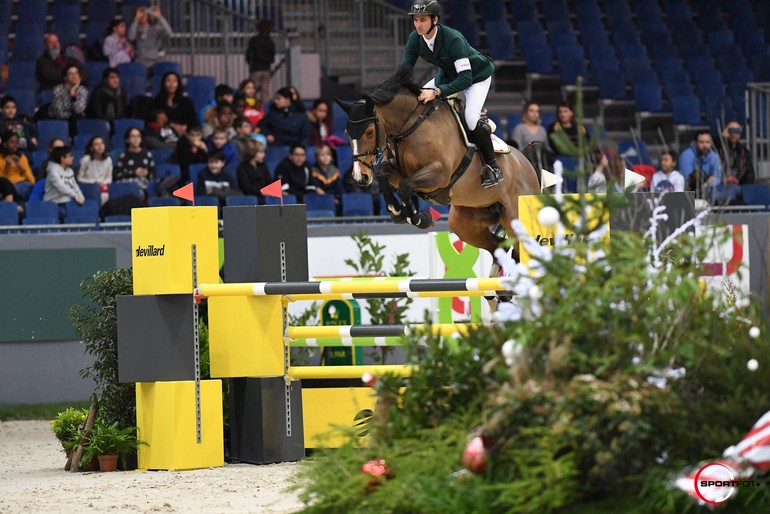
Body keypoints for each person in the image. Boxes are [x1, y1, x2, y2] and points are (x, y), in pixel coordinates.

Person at [400, 0, 501, 188]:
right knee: (418, 99)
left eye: (422, 20)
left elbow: (465, 80)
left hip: (476, 77)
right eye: (415, 20)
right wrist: (389, 90)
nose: (418, 24)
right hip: (447, 76)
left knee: (471, 118)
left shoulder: (453, 38)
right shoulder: (415, 38)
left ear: (435, 20)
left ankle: (493, 167)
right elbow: (404, 71)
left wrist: (437, 92)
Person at [43, 146, 84, 218]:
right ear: (62, 158)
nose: (73, 158)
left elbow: (75, 186)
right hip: (53, 203)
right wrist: (75, 196)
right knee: (69, 214)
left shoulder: (69, 171)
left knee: (84, 211)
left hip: (67, 202)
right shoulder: (53, 171)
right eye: (70, 156)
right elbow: (61, 187)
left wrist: (81, 197)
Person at [113, 127, 156, 195]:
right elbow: (117, 175)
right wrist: (134, 172)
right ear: (127, 140)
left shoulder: (147, 154)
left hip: (143, 185)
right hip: (128, 185)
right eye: (133, 136)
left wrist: (147, 173)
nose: (136, 139)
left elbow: (154, 172)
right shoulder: (124, 155)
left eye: (138, 136)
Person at [48, 65, 88, 133]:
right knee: (76, 118)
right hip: (58, 120)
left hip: (73, 121)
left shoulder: (82, 90)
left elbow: (79, 110)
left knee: (78, 120)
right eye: (70, 74)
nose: (74, 76)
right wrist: (72, 115)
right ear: (65, 78)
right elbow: (59, 113)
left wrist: (73, 93)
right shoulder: (58, 90)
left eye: (76, 73)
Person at [245, 19, 275, 104]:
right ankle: (265, 109)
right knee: (265, 91)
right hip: (266, 69)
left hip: (256, 68)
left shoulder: (254, 40)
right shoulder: (270, 42)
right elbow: (272, 58)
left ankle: (250, 106)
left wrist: (250, 65)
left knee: (251, 90)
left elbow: (249, 55)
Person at [77, 136, 113, 204]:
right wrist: (94, 182)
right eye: (96, 144)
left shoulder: (108, 159)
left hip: (104, 186)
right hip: (89, 186)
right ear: (91, 148)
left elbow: (109, 177)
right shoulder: (85, 159)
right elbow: (79, 178)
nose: (100, 146)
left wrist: (103, 183)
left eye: (102, 143)